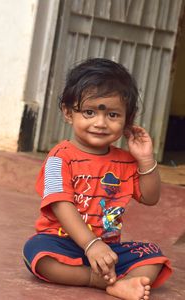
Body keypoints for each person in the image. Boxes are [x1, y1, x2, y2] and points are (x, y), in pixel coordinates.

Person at [23, 58, 172, 300]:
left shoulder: (125, 160)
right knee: (36, 253)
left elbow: (150, 197)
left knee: (153, 255)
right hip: (63, 243)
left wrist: (145, 160)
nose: (100, 123)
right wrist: (91, 245)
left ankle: (127, 283)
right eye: (89, 112)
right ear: (68, 112)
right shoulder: (59, 158)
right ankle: (100, 281)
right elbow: (61, 204)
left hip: (108, 249)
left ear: (128, 118)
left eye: (113, 114)